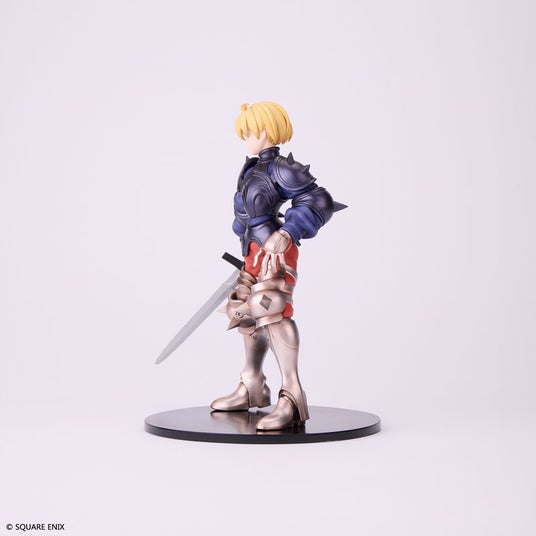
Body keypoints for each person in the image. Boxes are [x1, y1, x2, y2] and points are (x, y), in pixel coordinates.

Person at [210, 102, 336, 430]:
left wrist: (288, 231)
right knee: (243, 310)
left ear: (265, 130)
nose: (245, 138)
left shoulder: (282, 168)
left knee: (271, 308)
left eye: (248, 132)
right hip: (253, 249)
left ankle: (292, 396)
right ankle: (252, 385)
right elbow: (245, 214)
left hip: (275, 251)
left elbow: (318, 199)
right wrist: (247, 250)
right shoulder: (251, 169)